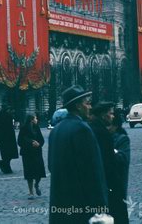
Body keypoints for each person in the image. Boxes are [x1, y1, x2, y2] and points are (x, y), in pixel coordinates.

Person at [48, 85, 108, 224]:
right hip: (80, 203)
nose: (90, 107)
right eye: (87, 103)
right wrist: (100, 204)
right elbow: (93, 171)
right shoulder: (82, 129)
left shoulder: (56, 129)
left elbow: (51, 166)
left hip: (60, 201)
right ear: (77, 106)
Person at [90, 101, 127, 223]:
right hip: (108, 183)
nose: (113, 116)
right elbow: (108, 162)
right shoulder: (102, 132)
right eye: (110, 114)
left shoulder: (92, 128)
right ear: (103, 115)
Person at [109, 114, 130, 224]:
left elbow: (123, 159)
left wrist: (109, 150)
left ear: (116, 126)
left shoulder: (122, 138)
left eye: (109, 125)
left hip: (118, 180)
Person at [18, 114, 46, 200]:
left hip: (37, 153)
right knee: (29, 173)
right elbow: (20, 141)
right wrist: (30, 143)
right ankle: (30, 192)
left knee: (39, 172)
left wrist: (39, 144)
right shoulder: (23, 128)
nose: (37, 119)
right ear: (31, 120)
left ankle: (36, 184)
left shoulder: (37, 128)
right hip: (27, 154)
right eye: (35, 118)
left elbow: (42, 140)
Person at [0, 105, 18, 174]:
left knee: (7, 155)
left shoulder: (6, 116)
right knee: (7, 155)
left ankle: (5, 166)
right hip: (6, 138)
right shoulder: (4, 117)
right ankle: (5, 166)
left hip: (7, 138)